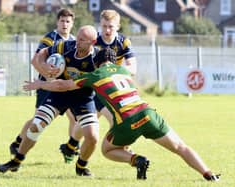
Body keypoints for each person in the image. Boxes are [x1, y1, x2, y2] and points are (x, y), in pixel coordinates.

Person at [23, 48, 220, 181]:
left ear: (97, 63)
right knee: (180, 147)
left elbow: (63, 85)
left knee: (107, 149)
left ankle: (135, 159)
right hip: (148, 113)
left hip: (126, 121)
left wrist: (40, 83)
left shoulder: (94, 75)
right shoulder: (125, 72)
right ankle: (209, 174)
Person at [0, 25, 100, 176]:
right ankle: (16, 161)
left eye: (82, 40)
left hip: (82, 97)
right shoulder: (66, 46)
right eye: (77, 37)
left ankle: (81, 166)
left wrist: (41, 84)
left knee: (92, 137)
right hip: (58, 95)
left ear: (93, 42)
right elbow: (41, 53)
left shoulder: (96, 59)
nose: (77, 42)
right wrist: (44, 66)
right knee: (36, 125)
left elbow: (63, 85)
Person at [60, 9, 137, 163]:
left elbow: (133, 69)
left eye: (111, 27)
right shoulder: (94, 41)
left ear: (118, 26)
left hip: (113, 89)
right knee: (114, 119)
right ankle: (123, 148)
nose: (107, 30)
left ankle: (70, 145)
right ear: (99, 25)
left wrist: (111, 71)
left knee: (90, 120)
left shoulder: (123, 42)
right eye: (104, 26)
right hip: (96, 90)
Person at [8, 8, 75, 155]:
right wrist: (47, 73)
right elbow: (36, 60)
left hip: (63, 87)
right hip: (46, 86)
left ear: (72, 23)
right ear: (57, 22)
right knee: (38, 118)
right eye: (62, 21)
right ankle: (18, 142)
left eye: (67, 21)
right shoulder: (50, 38)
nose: (64, 24)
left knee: (74, 117)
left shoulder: (73, 41)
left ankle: (71, 148)